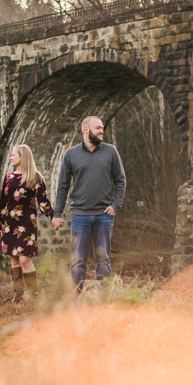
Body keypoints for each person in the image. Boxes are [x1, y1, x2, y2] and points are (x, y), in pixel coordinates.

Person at [52, 116, 126, 292]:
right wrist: (57, 213)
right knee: (78, 260)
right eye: (98, 128)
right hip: (80, 215)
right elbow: (62, 186)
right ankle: (77, 298)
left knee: (103, 259)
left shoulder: (111, 151)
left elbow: (121, 180)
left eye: (102, 128)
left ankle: (104, 297)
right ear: (86, 129)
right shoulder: (71, 154)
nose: (102, 131)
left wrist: (115, 205)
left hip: (104, 215)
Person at [0, 144, 55, 302]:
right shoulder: (8, 178)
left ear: (23, 157)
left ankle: (34, 295)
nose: (10, 157)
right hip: (9, 225)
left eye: (13, 155)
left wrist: (53, 217)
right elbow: (2, 204)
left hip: (27, 225)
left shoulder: (35, 177)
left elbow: (43, 203)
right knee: (14, 259)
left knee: (25, 259)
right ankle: (19, 295)